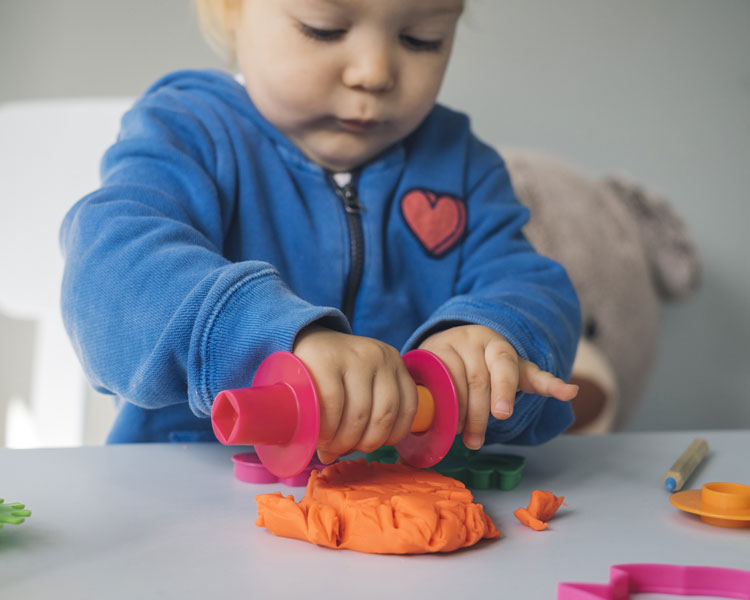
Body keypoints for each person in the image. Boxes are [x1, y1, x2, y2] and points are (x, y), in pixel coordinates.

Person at [60, 0, 580, 462]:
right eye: (323, 28)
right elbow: (110, 267)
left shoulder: (464, 167)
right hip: (183, 503)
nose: (374, 73)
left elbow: (530, 287)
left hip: (396, 506)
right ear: (232, 10)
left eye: (422, 38)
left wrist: (491, 349)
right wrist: (275, 341)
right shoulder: (186, 130)